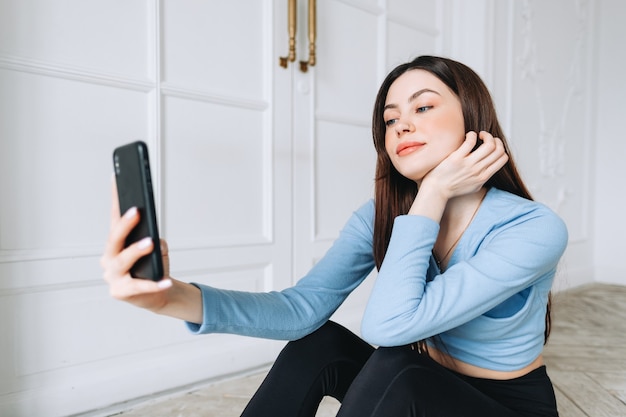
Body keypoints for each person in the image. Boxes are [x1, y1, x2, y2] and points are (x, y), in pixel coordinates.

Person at [101, 55, 568, 417]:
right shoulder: (383, 216)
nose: (401, 124)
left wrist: (434, 192)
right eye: (389, 119)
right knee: (317, 343)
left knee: (397, 365)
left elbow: (389, 328)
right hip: (417, 392)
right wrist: (171, 298)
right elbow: (299, 310)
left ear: (473, 119)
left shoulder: (532, 228)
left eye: (423, 106)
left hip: (507, 408)